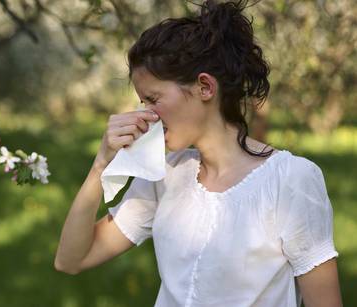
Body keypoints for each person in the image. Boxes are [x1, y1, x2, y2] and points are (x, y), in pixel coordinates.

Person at [53, 0, 343, 306]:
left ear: (205, 87)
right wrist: (101, 165)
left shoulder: (290, 180)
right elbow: (70, 260)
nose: (146, 116)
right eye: (142, 102)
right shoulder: (165, 174)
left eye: (153, 99)